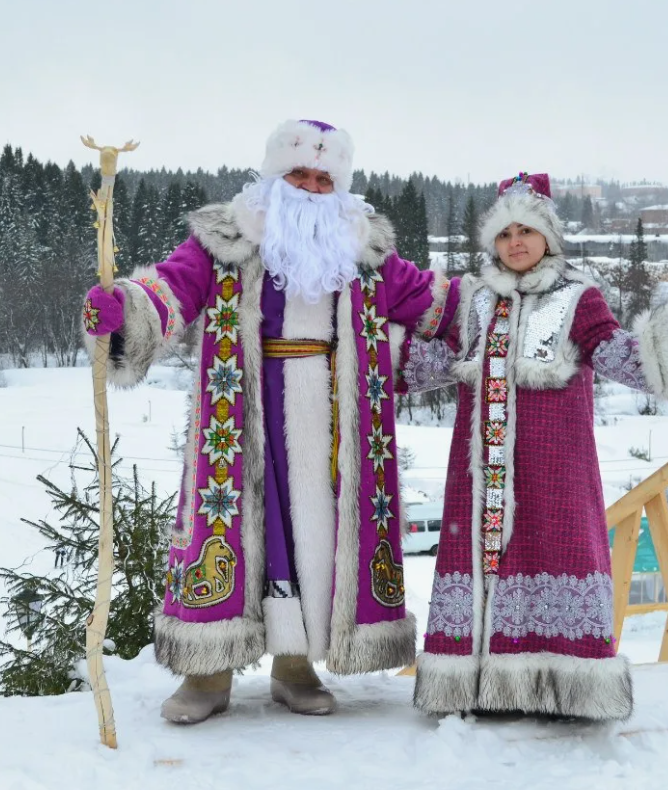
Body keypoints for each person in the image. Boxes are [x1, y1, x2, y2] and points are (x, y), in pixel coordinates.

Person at [83, 119, 460, 723]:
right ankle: (206, 674)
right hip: (242, 413)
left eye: (322, 178)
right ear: (273, 176)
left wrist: (513, 304)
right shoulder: (226, 240)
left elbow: (437, 305)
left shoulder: (366, 253)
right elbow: (171, 290)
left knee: (315, 538)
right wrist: (124, 308)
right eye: (298, 175)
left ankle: (294, 667)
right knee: (229, 530)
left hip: (333, 422)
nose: (310, 187)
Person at [413, 172, 668, 721]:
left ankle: (565, 687)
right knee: (481, 562)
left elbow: (614, 352)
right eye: (505, 233)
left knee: (555, 549)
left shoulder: (577, 297)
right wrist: (364, 356)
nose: (516, 242)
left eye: (527, 231)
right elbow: (436, 361)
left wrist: (667, 341)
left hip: (554, 466)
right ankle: (478, 684)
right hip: (478, 475)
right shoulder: (473, 300)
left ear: (549, 239)